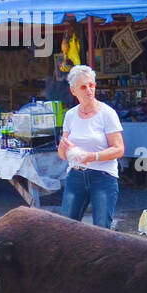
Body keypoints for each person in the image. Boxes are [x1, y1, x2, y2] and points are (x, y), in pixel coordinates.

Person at [58, 65, 125, 229]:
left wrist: (92, 157)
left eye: (91, 85)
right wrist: (63, 147)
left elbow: (119, 149)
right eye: (83, 87)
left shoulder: (107, 114)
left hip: (103, 177)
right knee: (65, 228)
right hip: (75, 176)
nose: (89, 90)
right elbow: (63, 155)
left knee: (101, 230)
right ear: (73, 91)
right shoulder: (70, 115)